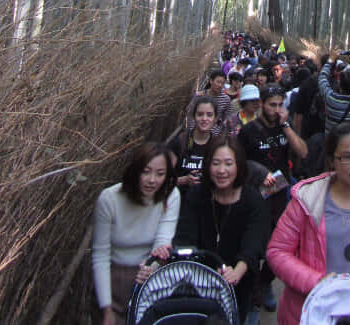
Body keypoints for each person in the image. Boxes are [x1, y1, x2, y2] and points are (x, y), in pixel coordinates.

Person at [266, 123, 350, 325]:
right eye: (347, 157)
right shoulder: (307, 199)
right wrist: (318, 283)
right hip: (307, 312)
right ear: (332, 160)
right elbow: (277, 251)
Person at [174, 135, 271, 323]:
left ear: (239, 165)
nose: (222, 171)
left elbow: (254, 243)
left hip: (237, 283)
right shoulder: (197, 195)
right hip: (199, 281)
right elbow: (185, 235)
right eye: (216, 163)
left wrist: (237, 271)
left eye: (228, 164)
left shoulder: (252, 200)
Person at [92, 143, 180, 325]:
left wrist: (151, 266)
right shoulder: (109, 199)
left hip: (147, 276)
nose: (152, 180)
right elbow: (100, 255)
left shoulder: (171, 196)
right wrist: (106, 309)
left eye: (160, 174)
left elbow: (163, 241)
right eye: (146, 172)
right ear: (135, 171)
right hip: (113, 275)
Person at [238, 83, 308, 312]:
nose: (276, 109)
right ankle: (252, 289)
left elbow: (303, 151)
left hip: (280, 191)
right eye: (272, 105)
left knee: (280, 244)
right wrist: (259, 173)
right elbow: (238, 162)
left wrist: (286, 125)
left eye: (280, 105)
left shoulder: (283, 128)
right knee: (254, 242)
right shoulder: (249, 131)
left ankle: (265, 282)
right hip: (255, 192)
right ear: (261, 104)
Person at [168, 97, 217, 193]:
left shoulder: (218, 145)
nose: (204, 119)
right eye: (200, 114)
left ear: (215, 118)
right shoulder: (180, 141)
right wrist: (184, 180)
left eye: (209, 115)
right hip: (180, 199)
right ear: (194, 116)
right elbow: (164, 178)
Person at [318, 50, 350, 132]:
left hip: (334, 143)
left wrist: (330, 60)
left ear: (339, 85)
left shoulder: (332, 99)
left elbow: (322, 78)